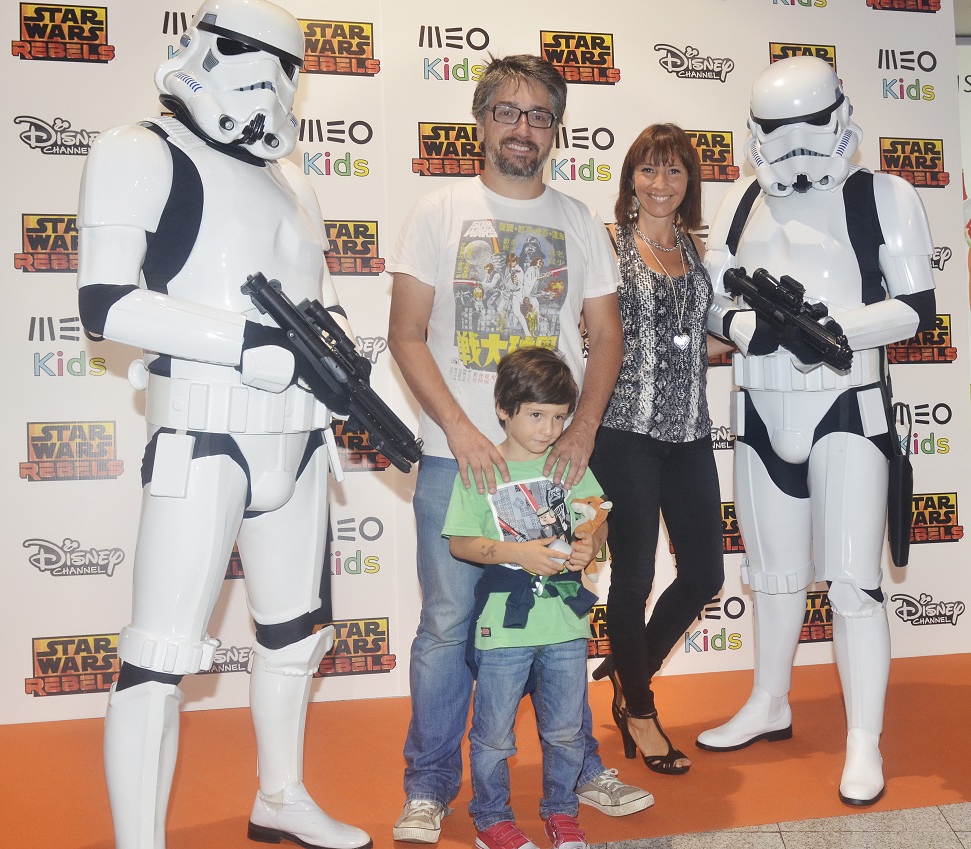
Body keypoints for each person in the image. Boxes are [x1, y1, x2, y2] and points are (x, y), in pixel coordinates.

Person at [75, 2, 371, 848]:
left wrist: (347, 369)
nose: (267, 80)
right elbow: (106, 305)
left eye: (286, 66)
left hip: (299, 440)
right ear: (203, 49)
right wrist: (244, 343)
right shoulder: (140, 149)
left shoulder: (293, 180)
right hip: (203, 435)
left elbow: (322, 306)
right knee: (159, 655)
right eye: (246, 54)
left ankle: (281, 795)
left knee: (295, 636)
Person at [387, 53, 651, 845]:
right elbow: (406, 334)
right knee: (447, 626)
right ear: (481, 121)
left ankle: (580, 770)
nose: (522, 128)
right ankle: (430, 786)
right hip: (456, 458)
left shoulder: (579, 220)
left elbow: (607, 336)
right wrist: (460, 429)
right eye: (507, 111)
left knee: (558, 613)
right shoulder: (437, 211)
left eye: (539, 115)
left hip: (551, 463)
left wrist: (583, 428)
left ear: (555, 129)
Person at [697, 56, 936, 806]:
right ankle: (770, 700)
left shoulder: (885, 196)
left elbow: (916, 307)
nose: (796, 149)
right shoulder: (741, 199)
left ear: (839, 118)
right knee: (772, 576)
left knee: (854, 585)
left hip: (846, 406)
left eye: (810, 128)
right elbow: (711, 295)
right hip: (760, 407)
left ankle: (863, 737)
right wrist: (744, 327)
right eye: (779, 132)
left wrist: (832, 331)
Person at [588, 124, 726, 776]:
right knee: (635, 577)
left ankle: (629, 663)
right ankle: (639, 710)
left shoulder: (697, 249)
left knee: (704, 574)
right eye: (648, 170)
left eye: (674, 171)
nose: (661, 183)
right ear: (630, 179)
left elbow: (693, 338)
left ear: (689, 181)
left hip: (691, 431)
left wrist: (756, 338)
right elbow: (591, 333)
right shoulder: (607, 245)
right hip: (625, 433)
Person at [443, 347, 609, 849]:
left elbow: (597, 519)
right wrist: (518, 553)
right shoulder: (481, 470)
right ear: (503, 408)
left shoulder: (569, 465)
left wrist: (589, 546)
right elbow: (459, 542)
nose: (549, 429)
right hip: (503, 628)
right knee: (493, 734)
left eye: (559, 417)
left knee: (566, 731)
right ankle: (491, 819)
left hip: (566, 625)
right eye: (536, 415)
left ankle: (561, 812)